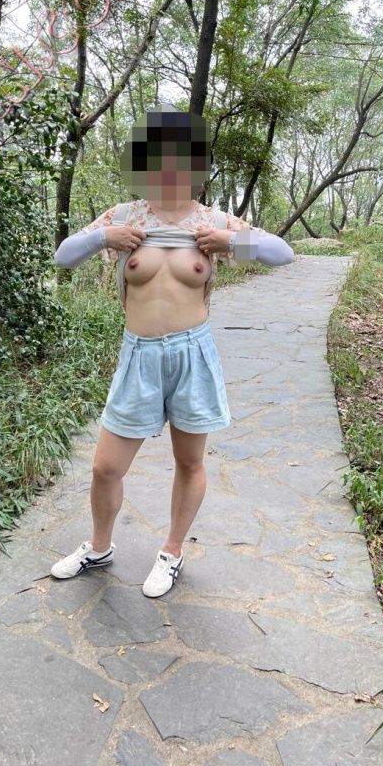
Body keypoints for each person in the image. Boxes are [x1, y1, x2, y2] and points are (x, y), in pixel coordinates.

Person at [50, 104, 294, 597]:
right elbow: (63, 256)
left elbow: (282, 254)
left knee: (189, 461)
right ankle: (99, 546)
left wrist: (230, 241)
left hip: (191, 355)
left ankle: (172, 551)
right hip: (138, 355)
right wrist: (104, 238)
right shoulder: (125, 216)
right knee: (105, 467)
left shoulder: (212, 221)